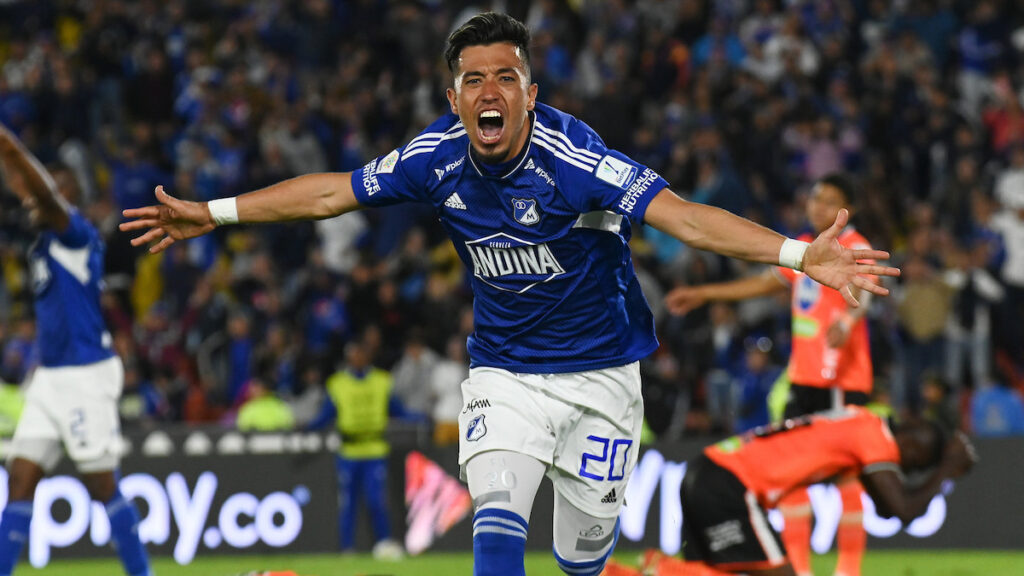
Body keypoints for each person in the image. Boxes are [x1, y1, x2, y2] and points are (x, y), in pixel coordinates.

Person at [119, 13, 898, 576]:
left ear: (530, 91)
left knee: (581, 556)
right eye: (472, 79)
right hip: (506, 375)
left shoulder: (577, 161)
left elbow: (686, 218)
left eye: (505, 76)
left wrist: (801, 255)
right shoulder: (436, 157)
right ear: (454, 96)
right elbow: (331, 195)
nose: (488, 91)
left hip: (602, 379)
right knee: (495, 525)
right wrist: (212, 214)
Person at [666, 174, 876, 576]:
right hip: (803, 380)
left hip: (840, 382)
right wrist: (705, 293)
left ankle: (849, 571)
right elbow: (765, 283)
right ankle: (800, 570)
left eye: (830, 201)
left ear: (847, 210)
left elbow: (863, 289)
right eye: (815, 199)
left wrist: (849, 323)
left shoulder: (854, 244)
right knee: (791, 479)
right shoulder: (805, 248)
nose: (819, 207)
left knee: (848, 479)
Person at [0, 125, 152, 575]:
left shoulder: (76, 236)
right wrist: (11, 165)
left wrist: (11, 147)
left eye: (50, 193)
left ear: (68, 199)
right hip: (49, 378)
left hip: (86, 374)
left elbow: (43, 195)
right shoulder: (43, 244)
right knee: (21, 478)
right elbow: (26, 188)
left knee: (103, 486)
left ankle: (143, 574)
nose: (33, 201)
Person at [305, 338, 404, 559]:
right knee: (348, 504)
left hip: (375, 449)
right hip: (349, 450)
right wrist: (307, 428)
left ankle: (384, 545)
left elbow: (398, 409)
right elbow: (326, 415)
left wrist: (421, 417)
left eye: (361, 353)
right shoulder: (338, 384)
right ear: (348, 357)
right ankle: (347, 549)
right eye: (354, 354)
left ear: (367, 356)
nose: (358, 358)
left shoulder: (381, 381)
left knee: (376, 501)